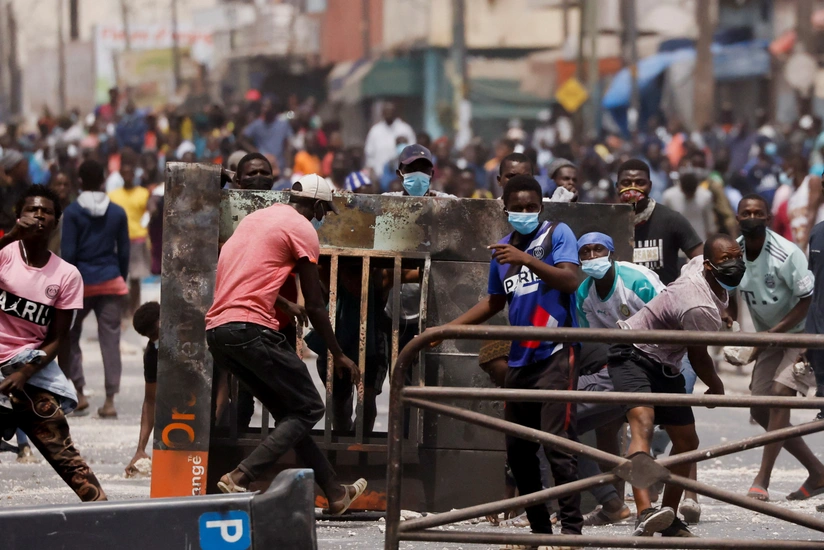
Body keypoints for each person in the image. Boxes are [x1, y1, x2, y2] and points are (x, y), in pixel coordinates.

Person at [204, 173, 367, 513]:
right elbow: (316, 305)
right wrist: (338, 354)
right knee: (310, 407)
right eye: (324, 211)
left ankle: (336, 493)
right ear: (319, 205)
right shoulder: (302, 228)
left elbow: (245, 275)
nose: (323, 218)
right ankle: (241, 474)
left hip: (220, 331)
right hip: (251, 330)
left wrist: (283, 303)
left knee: (289, 414)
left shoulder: (256, 219)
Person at [438, 175, 583, 537]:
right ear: (504, 209)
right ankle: (538, 532)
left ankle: (572, 533)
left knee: (558, 447)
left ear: (541, 207)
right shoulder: (501, 250)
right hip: (521, 358)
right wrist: (447, 329)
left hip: (555, 353)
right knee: (519, 452)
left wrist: (526, 259)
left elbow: (570, 280)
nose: (524, 213)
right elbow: (494, 301)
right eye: (516, 207)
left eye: (530, 206)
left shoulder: (557, 234)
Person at [608, 234, 738, 537]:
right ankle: (645, 512)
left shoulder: (698, 268)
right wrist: (716, 387)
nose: (733, 265)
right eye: (725, 261)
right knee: (643, 424)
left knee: (686, 442)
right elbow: (698, 354)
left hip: (665, 364)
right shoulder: (699, 306)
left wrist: (724, 312)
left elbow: (695, 261)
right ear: (708, 266)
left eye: (737, 258)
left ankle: (668, 518)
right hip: (632, 352)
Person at [0, 185, 106, 501]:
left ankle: (103, 513)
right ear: (20, 216)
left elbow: (59, 339)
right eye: (32, 209)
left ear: (56, 222)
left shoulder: (67, 275)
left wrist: (23, 374)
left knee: (62, 449)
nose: (39, 216)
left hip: (28, 367)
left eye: (46, 211)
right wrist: (11, 235)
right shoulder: (5, 254)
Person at [729, 194, 824, 502]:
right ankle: (818, 472)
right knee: (759, 407)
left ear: (768, 219)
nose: (752, 217)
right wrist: (728, 319)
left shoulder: (785, 253)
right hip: (769, 336)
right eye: (747, 213)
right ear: (738, 218)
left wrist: (778, 334)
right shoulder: (735, 252)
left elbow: (807, 299)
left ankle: (762, 479)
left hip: (798, 333)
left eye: (758, 213)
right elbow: (727, 286)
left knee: (780, 398)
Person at [61, 159, 130, 418]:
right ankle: (110, 400)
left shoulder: (73, 212)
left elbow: (68, 253)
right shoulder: (117, 212)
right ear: (103, 180)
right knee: (110, 340)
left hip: (79, 284)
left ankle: (79, 393)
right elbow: (123, 252)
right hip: (111, 281)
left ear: (79, 181)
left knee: (70, 337)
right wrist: (119, 278)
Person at [617, 159, 702, 285]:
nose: (633, 188)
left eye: (640, 183)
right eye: (626, 183)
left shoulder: (671, 220)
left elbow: (702, 261)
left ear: (650, 186)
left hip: (664, 302)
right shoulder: (608, 222)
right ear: (617, 186)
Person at [108, 158, 150, 317]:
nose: (127, 176)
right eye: (124, 173)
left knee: (136, 278)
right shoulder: (112, 195)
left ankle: (134, 310)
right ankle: (122, 309)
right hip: (118, 239)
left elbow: (149, 212)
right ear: (120, 175)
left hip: (138, 239)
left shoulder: (143, 193)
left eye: (129, 173)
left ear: (134, 174)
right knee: (119, 277)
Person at [126, 301, 159, 476]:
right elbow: (151, 400)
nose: (156, 340)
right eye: (151, 337)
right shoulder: (153, 354)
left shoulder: (192, 334)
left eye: (156, 333)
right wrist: (140, 449)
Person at [238, 98, 294, 173]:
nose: (264, 109)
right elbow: (242, 138)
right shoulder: (257, 124)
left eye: (267, 106)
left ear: (274, 108)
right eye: (263, 106)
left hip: (279, 167)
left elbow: (287, 146)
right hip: (262, 167)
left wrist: (288, 167)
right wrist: (255, 152)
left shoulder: (283, 124)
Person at [364, 101, 415, 179]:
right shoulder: (375, 131)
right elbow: (369, 155)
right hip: (379, 176)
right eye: (386, 111)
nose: (388, 113)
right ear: (382, 113)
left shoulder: (405, 129)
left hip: (401, 176)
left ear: (396, 112)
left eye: (391, 111)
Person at [662, 171, 716, 241]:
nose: (689, 195)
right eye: (687, 192)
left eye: (692, 192)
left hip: (700, 242)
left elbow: (710, 223)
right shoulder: (669, 197)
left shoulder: (706, 196)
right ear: (681, 188)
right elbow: (664, 223)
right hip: (677, 243)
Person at [383, 144, 454, 198]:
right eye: (411, 169)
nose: (418, 174)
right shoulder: (387, 202)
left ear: (431, 174)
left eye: (423, 169)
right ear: (399, 174)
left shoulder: (446, 202)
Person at [0, 150, 30, 235]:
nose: (26, 168)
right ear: (14, 167)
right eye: (23, 165)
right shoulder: (2, 189)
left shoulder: (24, 186)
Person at [47, 171, 73, 256]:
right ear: (51, 187)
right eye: (58, 184)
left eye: (66, 185)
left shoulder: (75, 211)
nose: (62, 187)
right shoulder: (46, 212)